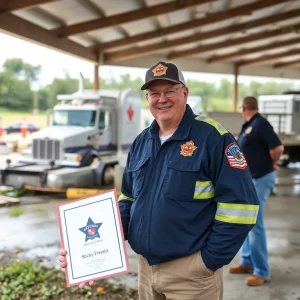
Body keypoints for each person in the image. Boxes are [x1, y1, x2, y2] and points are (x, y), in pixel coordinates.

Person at [59, 62, 259, 299]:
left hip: (192, 276)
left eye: (169, 91)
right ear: (147, 98)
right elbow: (129, 199)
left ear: (185, 93)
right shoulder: (142, 141)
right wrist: (89, 251)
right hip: (146, 270)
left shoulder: (213, 138)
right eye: (154, 93)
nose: (161, 99)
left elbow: (242, 206)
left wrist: (209, 261)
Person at [229, 96, 284, 286]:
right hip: (251, 179)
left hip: (260, 178)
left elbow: (278, 147)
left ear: (243, 108)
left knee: (255, 223)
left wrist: (272, 164)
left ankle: (262, 271)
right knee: (246, 220)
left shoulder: (261, 124)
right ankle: (247, 262)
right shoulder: (250, 124)